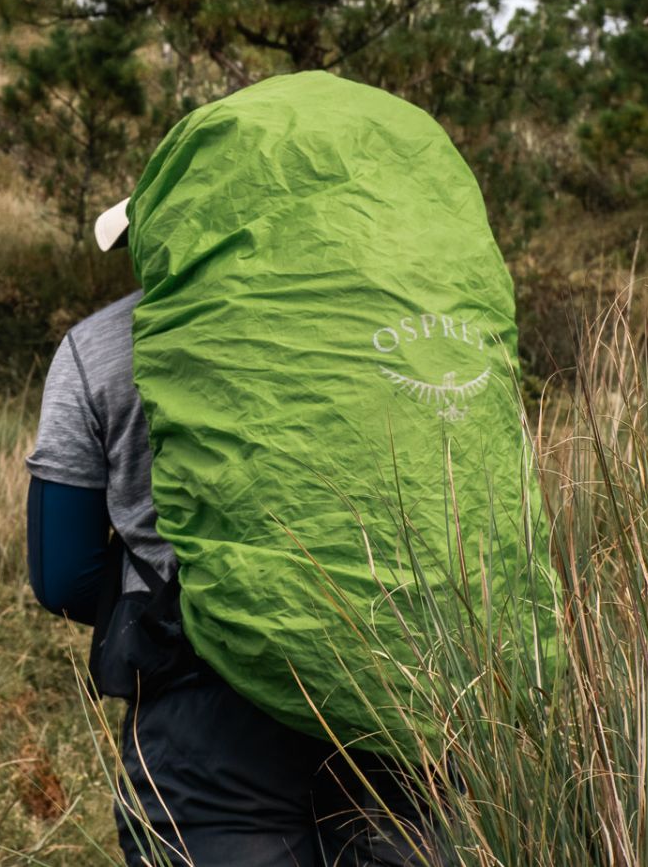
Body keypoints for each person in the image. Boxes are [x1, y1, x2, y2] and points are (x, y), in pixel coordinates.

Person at [26, 197, 442, 867]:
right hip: (393, 676)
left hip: (202, 700)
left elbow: (62, 574)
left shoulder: (99, 345)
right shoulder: (382, 328)